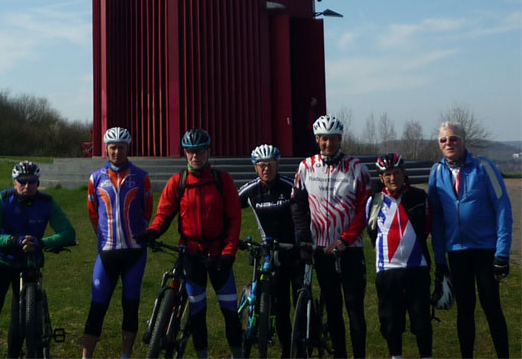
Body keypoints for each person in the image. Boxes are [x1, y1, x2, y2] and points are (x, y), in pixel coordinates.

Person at [136, 128, 243, 359]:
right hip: (192, 256)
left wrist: (229, 253)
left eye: (201, 151)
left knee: (230, 314)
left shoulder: (223, 180)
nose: (196, 156)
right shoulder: (178, 182)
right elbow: (163, 215)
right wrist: (152, 232)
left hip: (219, 256)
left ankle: (238, 354)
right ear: (185, 153)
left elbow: (235, 220)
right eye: (191, 151)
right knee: (197, 314)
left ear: (208, 152)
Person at [427, 120, 513, 358]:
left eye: (453, 138)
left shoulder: (484, 167)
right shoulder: (436, 172)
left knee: (491, 307)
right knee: (464, 310)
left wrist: (502, 253)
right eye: (443, 140)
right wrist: (440, 259)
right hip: (457, 252)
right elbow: (436, 219)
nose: (448, 143)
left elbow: (503, 209)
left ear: (463, 141)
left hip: (486, 251)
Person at [291, 113, 371, 359]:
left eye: (333, 138)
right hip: (322, 250)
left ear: (340, 139)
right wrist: (304, 237)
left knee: (355, 310)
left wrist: (345, 240)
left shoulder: (357, 168)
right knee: (334, 310)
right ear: (317, 139)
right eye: (323, 138)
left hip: (350, 249)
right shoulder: (306, 167)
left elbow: (365, 209)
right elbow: (298, 205)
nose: (328, 143)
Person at [0, 160, 76, 358]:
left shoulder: (46, 202)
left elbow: (68, 233)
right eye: (22, 181)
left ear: (38, 182)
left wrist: (41, 242)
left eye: (32, 181)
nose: (27, 186)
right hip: (2, 261)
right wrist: (13, 240)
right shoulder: (2, 199)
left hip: (29, 262)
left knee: (20, 318)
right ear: (14, 182)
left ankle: (13, 355)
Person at [82, 127, 153, 359]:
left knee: (130, 306)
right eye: (112, 147)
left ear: (127, 148)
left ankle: (126, 355)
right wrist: (104, 237)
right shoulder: (96, 178)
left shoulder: (141, 177)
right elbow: (93, 213)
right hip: (107, 252)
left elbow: (147, 211)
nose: (116, 152)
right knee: (97, 306)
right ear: (106, 148)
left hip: (134, 253)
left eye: (121, 147)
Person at [238, 143, 303, 358]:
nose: (267, 169)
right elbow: (229, 208)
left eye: (271, 164)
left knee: (299, 300)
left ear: (277, 164)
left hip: (295, 250)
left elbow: (307, 210)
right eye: (262, 165)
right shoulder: (250, 191)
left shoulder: (290, 186)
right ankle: (286, 349)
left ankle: (302, 344)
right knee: (281, 305)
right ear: (255, 167)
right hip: (272, 254)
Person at [366, 153, 433, 359]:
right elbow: (372, 231)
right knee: (391, 322)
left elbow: (427, 227)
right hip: (388, 270)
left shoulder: (419, 197)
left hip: (417, 267)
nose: (392, 178)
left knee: (421, 322)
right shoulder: (374, 201)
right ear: (381, 177)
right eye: (387, 174)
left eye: (396, 173)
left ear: (404, 173)